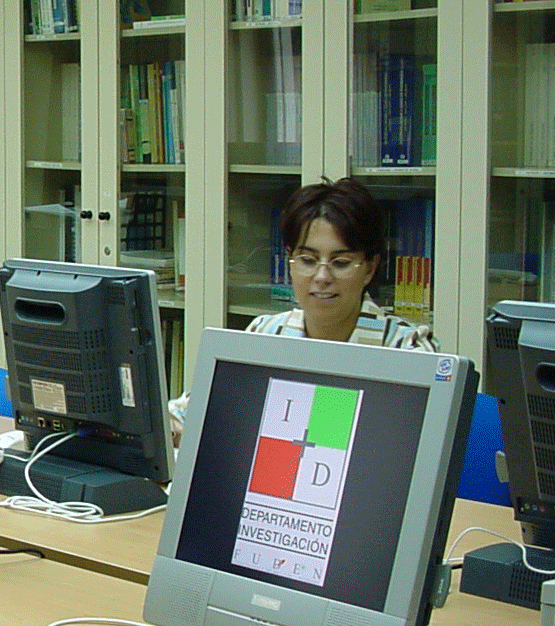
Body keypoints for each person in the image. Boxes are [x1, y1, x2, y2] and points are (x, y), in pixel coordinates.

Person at [168, 176, 438, 442]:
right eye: (307, 260)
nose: (322, 277)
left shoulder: (408, 349)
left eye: (341, 262)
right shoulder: (266, 333)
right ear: (289, 261)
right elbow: (185, 414)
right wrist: (172, 428)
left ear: (370, 268)